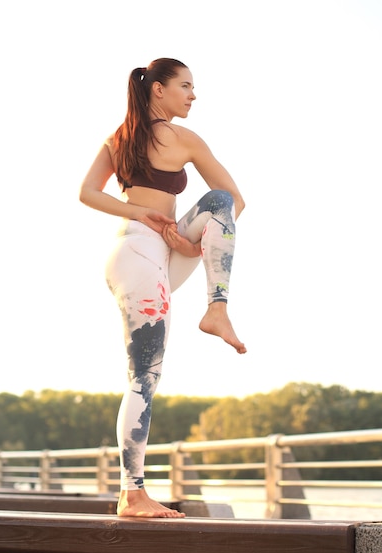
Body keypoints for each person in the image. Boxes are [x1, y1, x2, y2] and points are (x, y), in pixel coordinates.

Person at [79, 58, 246, 518]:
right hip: (140, 253)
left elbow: (90, 192)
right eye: (186, 86)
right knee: (143, 378)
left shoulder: (122, 135)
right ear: (158, 90)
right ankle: (133, 494)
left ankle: (217, 309)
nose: (193, 95)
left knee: (216, 205)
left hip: (152, 252)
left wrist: (189, 242)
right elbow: (236, 202)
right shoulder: (178, 138)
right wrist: (156, 222)